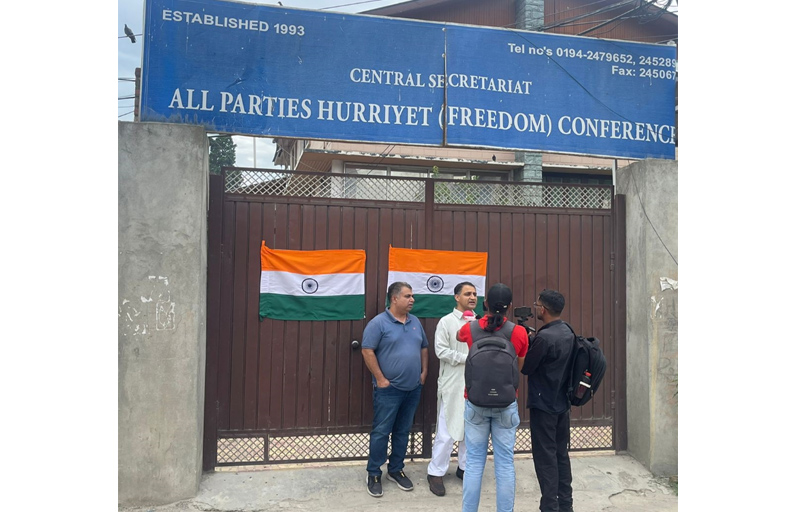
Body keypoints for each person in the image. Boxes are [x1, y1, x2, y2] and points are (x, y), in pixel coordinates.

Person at [457, 283, 528, 512]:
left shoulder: (471, 329)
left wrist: (476, 322)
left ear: (485, 303)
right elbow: (519, 365)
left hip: (475, 402)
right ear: (509, 306)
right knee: (505, 463)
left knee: (475, 463)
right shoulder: (518, 333)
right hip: (506, 404)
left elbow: (460, 336)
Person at [361, 281, 429, 498]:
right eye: (408, 296)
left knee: (403, 431)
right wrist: (380, 379)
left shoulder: (415, 321)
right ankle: (373, 473)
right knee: (381, 431)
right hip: (388, 390)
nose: (412, 300)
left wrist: (423, 372)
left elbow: (423, 347)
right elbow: (367, 350)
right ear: (394, 299)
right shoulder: (378, 323)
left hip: (413, 388)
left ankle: (396, 469)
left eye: (412, 296)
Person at [521, 289, 575, 512]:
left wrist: (524, 343)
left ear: (542, 309)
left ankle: (549, 507)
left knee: (545, 458)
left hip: (544, 406)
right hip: (562, 404)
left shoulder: (544, 338)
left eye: (537, 305)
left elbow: (526, 368)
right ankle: (566, 504)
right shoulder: (567, 331)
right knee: (561, 454)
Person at [426, 282, 478, 497]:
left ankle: (464, 468)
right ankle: (435, 472)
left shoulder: (479, 323)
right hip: (453, 382)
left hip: (476, 382)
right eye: (467, 294)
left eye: (475, 294)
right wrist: (467, 359)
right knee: (447, 430)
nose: (472, 297)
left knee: (472, 430)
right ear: (457, 297)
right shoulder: (446, 322)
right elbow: (440, 351)